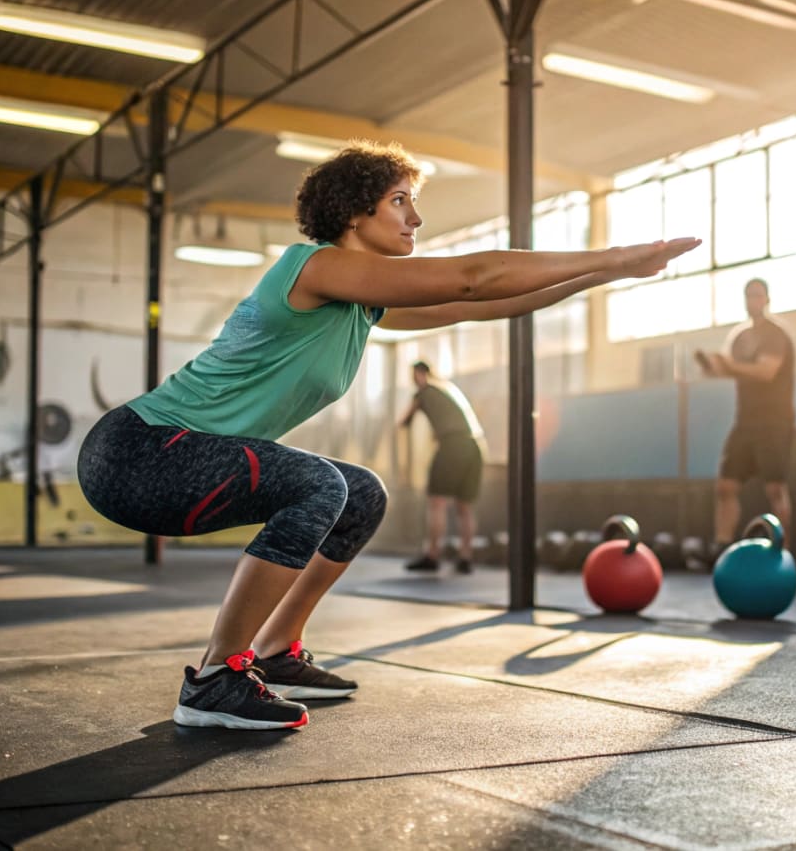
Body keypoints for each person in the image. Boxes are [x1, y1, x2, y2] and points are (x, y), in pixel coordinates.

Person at [77, 139, 701, 730]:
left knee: (360, 492)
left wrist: (604, 278)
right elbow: (472, 277)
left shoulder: (359, 302)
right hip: (139, 452)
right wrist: (615, 254)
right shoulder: (316, 267)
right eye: (401, 200)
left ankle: (272, 649)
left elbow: (480, 304)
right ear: (354, 210)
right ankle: (216, 676)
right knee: (318, 486)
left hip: (175, 457)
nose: (416, 218)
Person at [694, 277, 795, 568]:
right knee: (725, 486)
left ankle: (784, 554)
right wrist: (711, 366)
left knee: (775, 488)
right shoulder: (739, 337)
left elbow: (766, 372)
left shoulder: (775, 335)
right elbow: (728, 372)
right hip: (745, 422)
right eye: (748, 295)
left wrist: (727, 364)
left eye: (758, 295)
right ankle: (722, 548)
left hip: (775, 421)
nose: (753, 300)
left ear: (767, 299)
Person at [399, 360, 486, 575]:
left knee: (436, 502)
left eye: (413, 375)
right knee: (464, 506)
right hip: (475, 446)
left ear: (419, 374)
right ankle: (466, 558)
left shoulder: (423, 392)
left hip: (453, 446)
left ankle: (432, 556)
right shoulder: (448, 389)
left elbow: (405, 421)